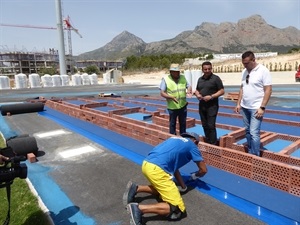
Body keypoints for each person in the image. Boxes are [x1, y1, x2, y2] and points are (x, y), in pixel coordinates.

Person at [123, 132, 207, 225]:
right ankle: (139, 209)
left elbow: (175, 168)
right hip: (157, 171)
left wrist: (183, 186)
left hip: (147, 165)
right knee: (177, 208)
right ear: (195, 141)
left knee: (163, 189)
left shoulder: (174, 139)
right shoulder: (192, 145)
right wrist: (194, 176)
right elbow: (203, 170)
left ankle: (136, 188)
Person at [235, 51, 272, 156]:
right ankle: (251, 150)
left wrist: (262, 107)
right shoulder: (244, 71)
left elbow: (268, 90)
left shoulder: (263, 71)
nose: (245, 65)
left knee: (254, 133)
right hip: (245, 106)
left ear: (253, 60)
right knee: (247, 131)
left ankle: (255, 155)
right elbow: (242, 87)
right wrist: (238, 103)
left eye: (247, 63)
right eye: (243, 63)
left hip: (256, 108)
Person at [194, 61, 224, 145]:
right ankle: (208, 141)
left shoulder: (216, 78)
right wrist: (197, 94)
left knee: (211, 125)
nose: (207, 71)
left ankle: (213, 144)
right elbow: (197, 90)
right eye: (205, 69)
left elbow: (222, 91)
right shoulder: (200, 79)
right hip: (202, 105)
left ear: (211, 69)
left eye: (209, 69)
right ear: (202, 70)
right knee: (204, 125)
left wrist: (211, 96)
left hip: (212, 106)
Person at [160, 64, 192, 135]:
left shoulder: (183, 78)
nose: (177, 73)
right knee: (172, 124)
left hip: (183, 105)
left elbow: (188, 85)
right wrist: (171, 97)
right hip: (172, 107)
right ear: (171, 72)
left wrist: (189, 89)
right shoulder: (166, 79)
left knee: (183, 123)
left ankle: (183, 136)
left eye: (178, 72)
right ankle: (173, 137)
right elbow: (162, 93)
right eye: (175, 72)